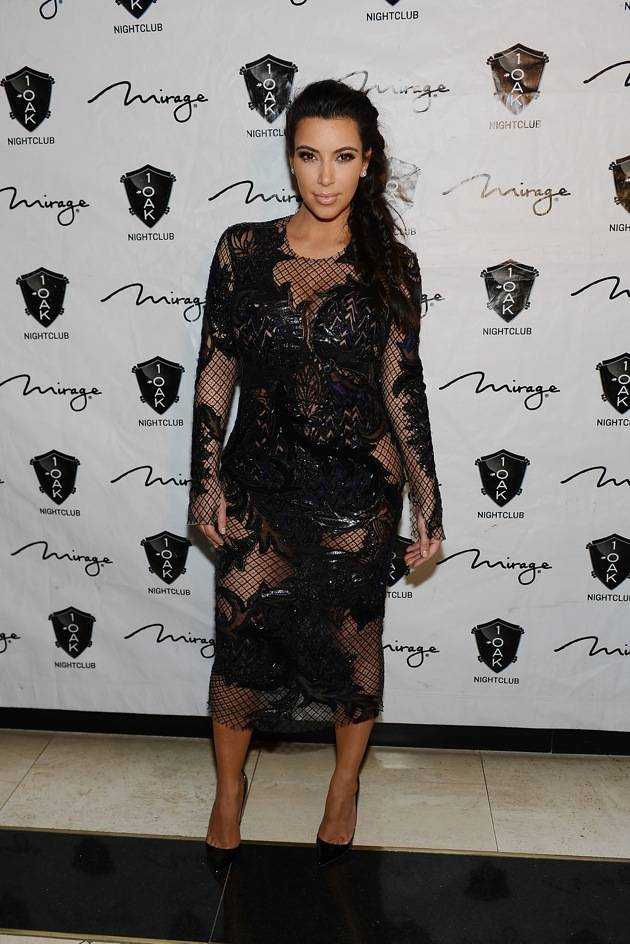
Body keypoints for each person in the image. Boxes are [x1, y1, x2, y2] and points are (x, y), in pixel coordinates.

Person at [187, 79, 445, 873]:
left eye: (342, 157)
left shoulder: (390, 266)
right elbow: (215, 372)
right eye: (308, 156)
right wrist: (204, 482)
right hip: (260, 481)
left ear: (367, 163)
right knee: (240, 643)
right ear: (290, 159)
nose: (325, 176)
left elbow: (402, 390)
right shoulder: (242, 250)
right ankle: (229, 793)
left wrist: (428, 505)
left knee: (353, 645)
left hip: (358, 490)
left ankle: (343, 786)